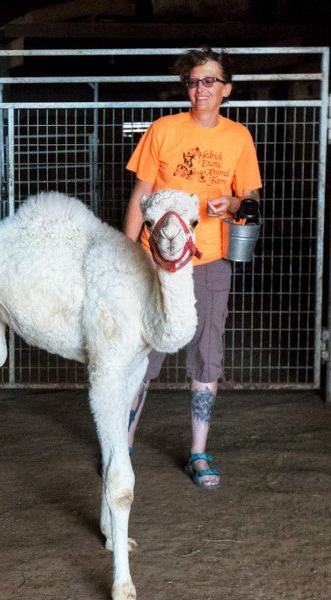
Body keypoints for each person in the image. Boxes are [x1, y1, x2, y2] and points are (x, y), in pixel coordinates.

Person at [123, 48, 262, 489]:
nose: (200, 89)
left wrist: (236, 203)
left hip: (210, 258)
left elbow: (251, 200)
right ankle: (121, 445)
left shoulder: (238, 137)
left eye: (209, 81)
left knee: (207, 351)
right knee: (145, 351)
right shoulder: (164, 131)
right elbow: (140, 195)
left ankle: (199, 452)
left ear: (226, 89)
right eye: (194, 81)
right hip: (156, 260)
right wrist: (127, 252)